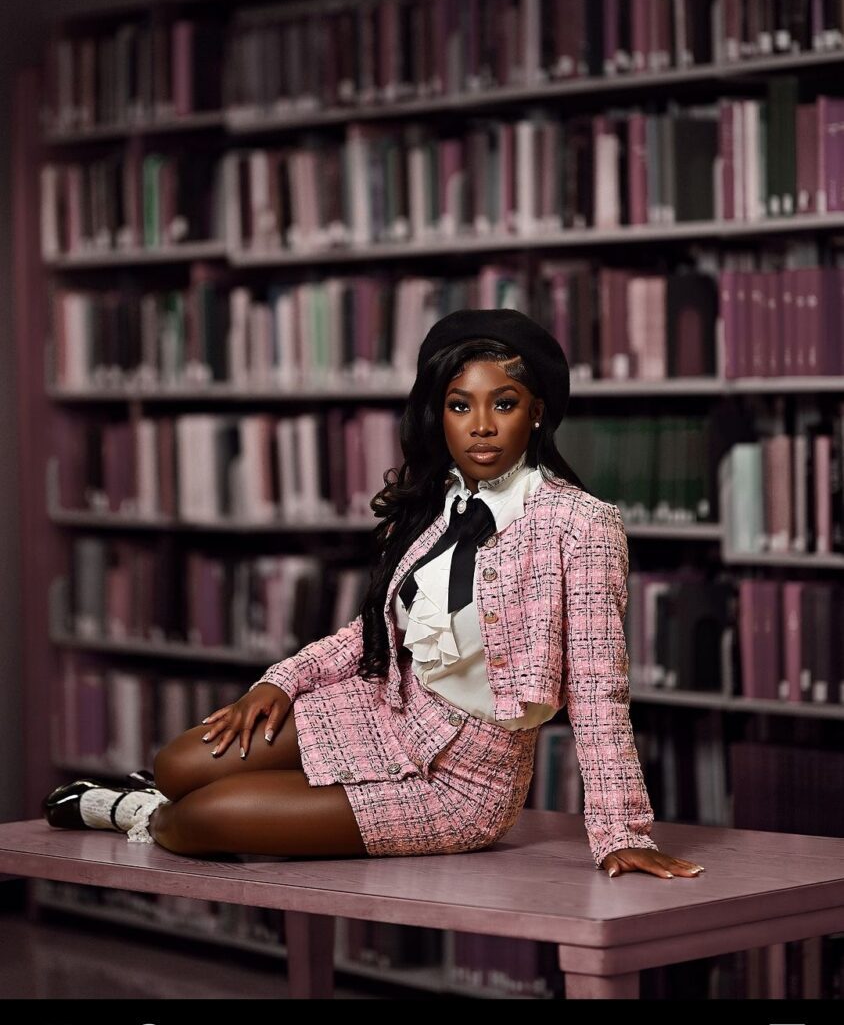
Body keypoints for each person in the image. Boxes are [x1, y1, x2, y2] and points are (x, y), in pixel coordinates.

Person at [43, 308, 704, 881]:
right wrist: (279, 682)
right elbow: (376, 633)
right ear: (437, 413)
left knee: (200, 818)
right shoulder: (435, 503)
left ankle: (130, 810)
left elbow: (598, 691)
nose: (480, 425)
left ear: (536, 414)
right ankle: (174, 790)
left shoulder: (581, 526)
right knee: (179, 761)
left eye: (502, 403)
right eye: (459, 403)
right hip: (386, 708)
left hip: (462, 782)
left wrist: (623, 833)